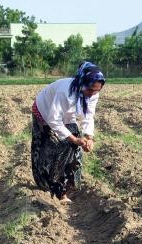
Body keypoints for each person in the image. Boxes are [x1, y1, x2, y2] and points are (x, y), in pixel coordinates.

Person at [31, 61, 105, 202]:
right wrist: (73, 138)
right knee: (48, 149)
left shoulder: (93, 93)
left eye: (97, 90)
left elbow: (88, 115)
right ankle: (46, 185)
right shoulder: (65, 92)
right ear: (82, 82)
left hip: (66, 116)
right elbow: (54, 120)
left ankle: (65, 188)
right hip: (45, 112)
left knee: (72, 148)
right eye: (90, 90)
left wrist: (89, 137)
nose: (93, 94)